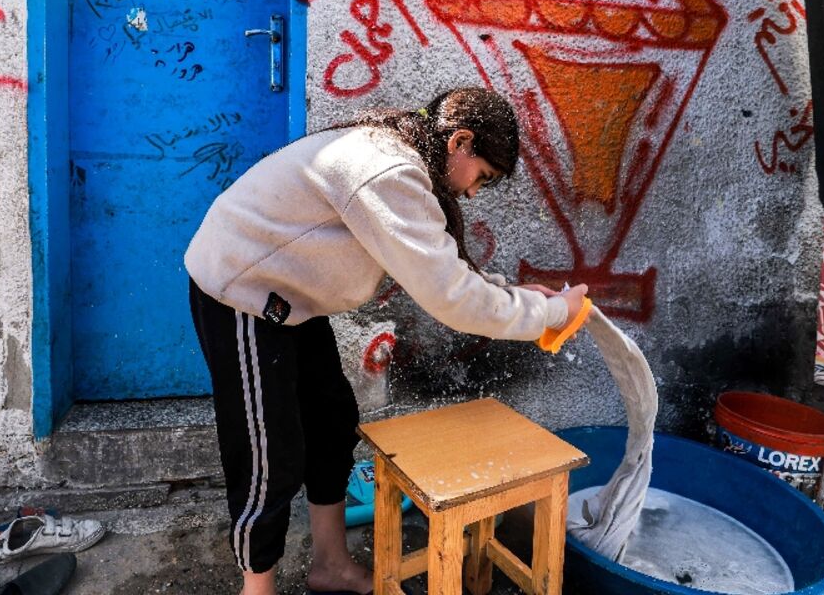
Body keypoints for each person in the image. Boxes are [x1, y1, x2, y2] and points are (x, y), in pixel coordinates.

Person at [184, 87, 589, 595]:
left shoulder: (404, 164)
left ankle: (330, 566)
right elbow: (452, 299)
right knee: (268, 453)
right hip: (241, 291)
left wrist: (509, 292)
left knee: (331, 423)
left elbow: (440, 265)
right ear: (460, 141)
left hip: (289, 296)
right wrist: (552, 313)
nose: (473, 193)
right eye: (482, 177)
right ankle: (257, 588)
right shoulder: (387, 170)